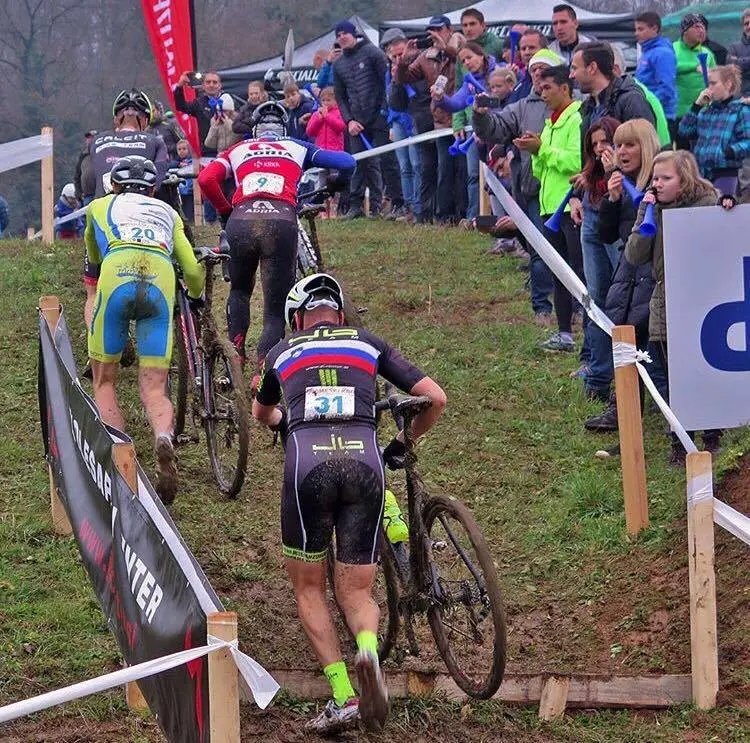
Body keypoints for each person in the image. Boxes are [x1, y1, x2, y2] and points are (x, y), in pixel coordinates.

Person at [252, 272, 447, 734]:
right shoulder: (367, 343)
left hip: (307, 468)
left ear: (297, 319)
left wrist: (288, 420)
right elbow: (434, 398)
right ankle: (366, 647)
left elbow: (261, 413)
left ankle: (343, 695)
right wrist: (401, 444)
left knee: (309, 588)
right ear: (339, 314)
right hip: (365, 465)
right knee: (357, 591)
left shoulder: (281, 351)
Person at [197, 102, 355, 388]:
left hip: (241, 219)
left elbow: (206, 178)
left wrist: (224, 211)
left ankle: (235, 359)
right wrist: (338, 184)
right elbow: (348, 162)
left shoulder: (238, 149)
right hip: (280, 220)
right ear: (284, 129)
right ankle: (263, 373)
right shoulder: (297, 146)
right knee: (274, 307)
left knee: (240, 291)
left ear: (256, 129)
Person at [85, 156, 205, 500]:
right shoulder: (169, 214)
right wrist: (195, 297)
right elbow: (193, 271)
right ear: (153, 189)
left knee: (104, 380)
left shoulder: (99, 205)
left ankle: (123, 462)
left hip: (117, 270)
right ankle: (164, 435)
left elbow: (93, 254)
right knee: (155, 389)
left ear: (114, 186)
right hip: (159, 277)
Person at [624, 150, 730, 465]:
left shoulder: (706, 202)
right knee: (671, 374)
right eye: (655, 178)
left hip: (702, 300)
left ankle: (712, 435)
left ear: (684, 180)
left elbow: (725, 233)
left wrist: (728, 206)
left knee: (703, 370)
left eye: (665, 178)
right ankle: (679, 443)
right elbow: (633, 256)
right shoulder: (651, 208)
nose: (657, 184)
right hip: (665, 302)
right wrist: (646, 213)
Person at [473, 49, 562, 325]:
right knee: (537, 250)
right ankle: (542, 309)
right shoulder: (524, 105)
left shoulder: (574, 105)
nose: (537, 75)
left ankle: (574, 308)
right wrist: (481, 116)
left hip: (563, 191)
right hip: (529, 189)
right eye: (534, 70)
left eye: (544, 70)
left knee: (562, 253)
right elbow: (496, 128)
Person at [584, 118, 661, 434]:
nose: (621, 151)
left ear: (646, 146)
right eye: (619, 145)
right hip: (628, 276)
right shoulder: (619, 182)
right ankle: (623, 413)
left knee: (651, 347)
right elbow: (604, 235)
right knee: (626, 340)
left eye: (630, 144)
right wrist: (611, 201)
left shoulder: (659, 181)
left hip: (652, 275)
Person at [85, 89, 170, 328]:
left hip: (103, 214)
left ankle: (96, 349)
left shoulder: (98, 141)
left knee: (93, 291)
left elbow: (88, 179)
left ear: (116, 119)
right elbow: (159, 178)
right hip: (143, 221)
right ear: (144, 120)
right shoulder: (155, 141)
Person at [519, 65, 584, 353]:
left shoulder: (576, 118)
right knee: (558, 272)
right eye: (539, 88)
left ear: (564, 88)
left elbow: (576, 161)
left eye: (547, 88)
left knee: (578, 270)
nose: (541, 93)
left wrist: (542, 150)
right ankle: (564, 334)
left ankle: (587, 329)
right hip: (550, 206)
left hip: (571, 206)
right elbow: (541, 169)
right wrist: (535, 151)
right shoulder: (550, 122)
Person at [567, 117, 620, 388]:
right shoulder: (592, 172)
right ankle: (598, 374)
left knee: (617, 300)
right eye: (594, 143)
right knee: (596, 299)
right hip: (590, 220)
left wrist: (613, 172)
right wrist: (577, 198)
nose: (600, 148)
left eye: (605, 141)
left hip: (612, 229)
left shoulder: (621, 171)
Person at [396, 14, 464, 223]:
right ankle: (443, 215)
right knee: (443, 168)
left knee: (462, 170)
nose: (434, 34)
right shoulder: (426, 56)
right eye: (431, 30)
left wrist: (445, 46)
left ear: (448, 29)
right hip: (440, 120)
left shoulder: (460, 42)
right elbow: (403, 78)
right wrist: (403, 60)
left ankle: (462, 214)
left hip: (463, 116)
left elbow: (463, 59)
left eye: (439, 29)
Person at [333, 20, 402, 220]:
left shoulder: (373, 53)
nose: (341, 38)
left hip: (379, 116)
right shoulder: (339, 64)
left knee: (387, 161)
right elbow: (340, 96)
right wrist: (348, 121)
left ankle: (397, 203)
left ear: (353, 34)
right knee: (357, 163)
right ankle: (355, 206)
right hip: (357, 122)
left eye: (344, 33)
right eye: (338, 35)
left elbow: (387, 83)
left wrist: (384, 112)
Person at [434, 42, 498, 221]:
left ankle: (499, 219)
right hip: (477, 134)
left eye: (469, 57)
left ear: (481, 55)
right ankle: (474, 217)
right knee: (474, 176)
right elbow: (456, 103)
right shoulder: (470, 81)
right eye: (463, 60)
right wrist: (440, 98)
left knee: (498, 177)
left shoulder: (500, 70)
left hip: (500, 132)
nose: (467, 63)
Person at [679, 65, 750, 195]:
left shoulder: (740, 110)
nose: (708, 88)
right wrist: (696, 106)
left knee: (722, 210)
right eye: (708, 84)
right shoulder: (706, 111)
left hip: (726, 171)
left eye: (713, 83)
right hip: (701, 173)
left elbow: (747, 141)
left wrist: (730, 151)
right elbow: (684, 131)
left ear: (728, 84)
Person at [382, 28, 424, 222]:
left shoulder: (416, 67)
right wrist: (391, 123)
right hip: (397, 120)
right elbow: (389, 99)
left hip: (414, 119)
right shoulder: (388, 73)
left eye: (402, 54)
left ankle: (418, 205)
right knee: (404, 166)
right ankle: (407, 206)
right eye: (395, 55)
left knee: (416, 164)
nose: (399, 58)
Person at [571, 42, 656, 135]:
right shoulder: (587, 108)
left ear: (592, 68)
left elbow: (645, 144)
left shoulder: (631, 101)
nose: (571, 75)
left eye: (575, 69)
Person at [673, 14, 716, 148]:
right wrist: (693, 67)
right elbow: (667, 70)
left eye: (703, 27)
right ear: (685, 29)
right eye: (697, 27)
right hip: (679, 115)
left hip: (704, 114)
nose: (701, 30)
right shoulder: (672, 49)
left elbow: (715, 78)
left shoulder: (707, 53)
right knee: (683, 157)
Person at [634, 11, 677, 130]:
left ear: (654, 29)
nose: (636, 33)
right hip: (648, 113)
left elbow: (666, 88)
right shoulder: (647, 52)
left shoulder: (662, 53)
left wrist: (646, 106)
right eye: (636, 29)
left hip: (661, 115)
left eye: (641, 29)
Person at [174, 70, 223, 157]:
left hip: (228, 150)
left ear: (220, 85)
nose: (211, 85)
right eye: (208, 82)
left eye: (214, 82)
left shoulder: (229, 100)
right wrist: (180, 86)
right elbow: (181, 106)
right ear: (203, 86)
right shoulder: (199, 103)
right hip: (208, 152)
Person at [508, 29, 547, 103]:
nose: (527, 52)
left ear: (544, 50)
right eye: (523, 49)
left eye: (532, 48)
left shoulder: (553, 83)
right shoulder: (519, 86)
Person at [174, 139, 197, 223]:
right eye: (179, 149)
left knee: (189, 208)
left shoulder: (193, 161)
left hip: (190, 189)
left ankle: (191, 221)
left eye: (184, 149)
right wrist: (178, 164)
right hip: (180, 190)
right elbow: (170, 165)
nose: (181, 151)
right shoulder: (177, 162)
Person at [728, 9, 750, 96]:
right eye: (746, 24)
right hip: (742, 98)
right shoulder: (734, 47)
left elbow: (738, 65)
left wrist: (739, 61)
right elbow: (731, 69)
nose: (749, 26)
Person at [74, 130, 97, 206]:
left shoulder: (103, 154)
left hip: (100, 195)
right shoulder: (83, 156)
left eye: (92, 138)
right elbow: (77, 176)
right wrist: (78, 194)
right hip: (86, 196)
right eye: (88, 138)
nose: (89, 140)